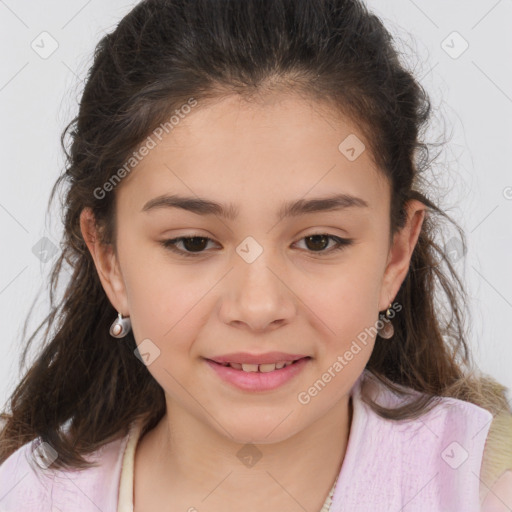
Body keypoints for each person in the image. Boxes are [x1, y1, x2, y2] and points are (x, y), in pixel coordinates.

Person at [0, 0, 511, 510]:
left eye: (318, 241)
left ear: (396, 254)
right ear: (108, 260)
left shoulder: (481, 485)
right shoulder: (26, 496)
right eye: (193, 243)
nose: (259, 306)